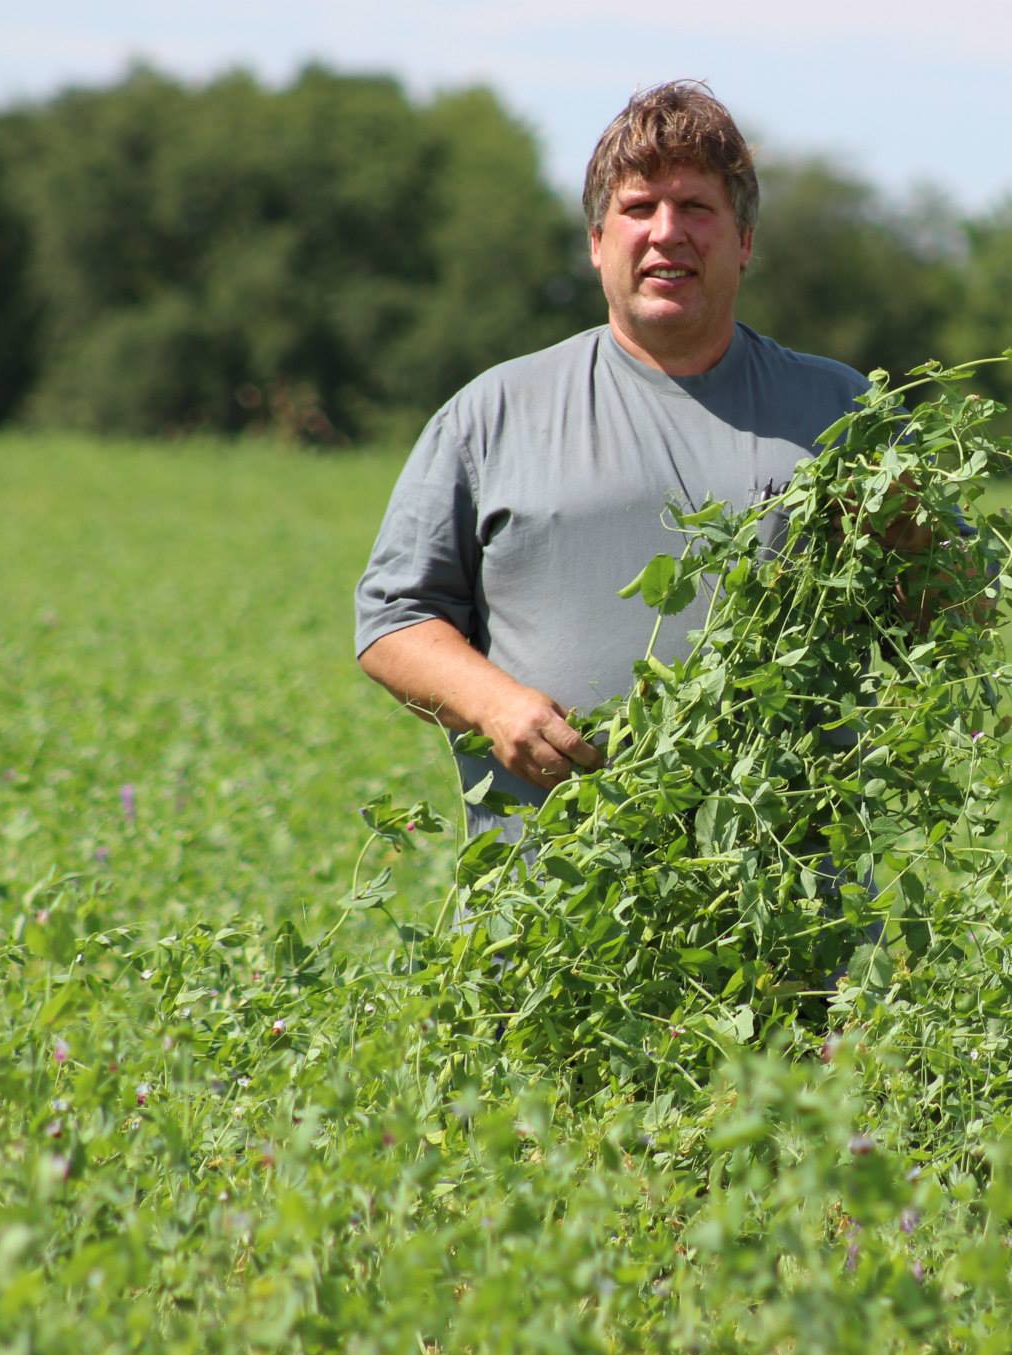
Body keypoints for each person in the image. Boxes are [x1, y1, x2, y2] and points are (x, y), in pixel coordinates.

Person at [353, 81, 873, 841]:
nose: (668, 233)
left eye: (697, 208)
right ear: (597, 242)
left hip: (779, 905)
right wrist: (496, 705)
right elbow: (395, 619)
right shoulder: (493, 414)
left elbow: (960, 611)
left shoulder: (843, 413)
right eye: (639, 209)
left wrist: (922, 549)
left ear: (745, 242)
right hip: (554, 909)